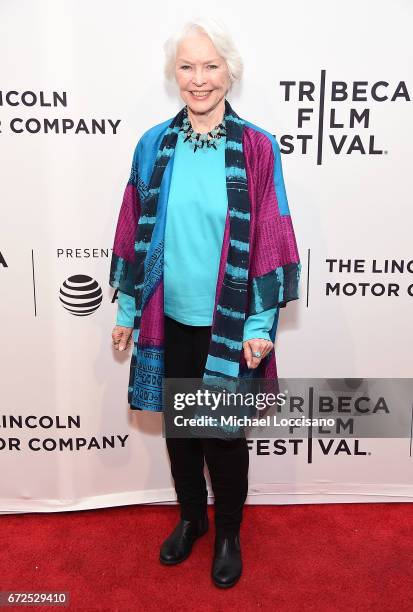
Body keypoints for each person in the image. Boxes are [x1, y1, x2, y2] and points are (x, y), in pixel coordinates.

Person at [109, 17, 301, 589]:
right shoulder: (152, 145)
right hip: (165, 320)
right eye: (188, 66)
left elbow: (271, 233)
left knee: (221, 435)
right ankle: (192, 518)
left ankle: (228, 533)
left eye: (211, 66)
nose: (200, 79)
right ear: (175, 74)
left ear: (230, 73)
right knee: (180, 432)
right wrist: (124, 313)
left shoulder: (258, 147)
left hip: (230, 325)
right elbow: (133, 230)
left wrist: (260, 321)